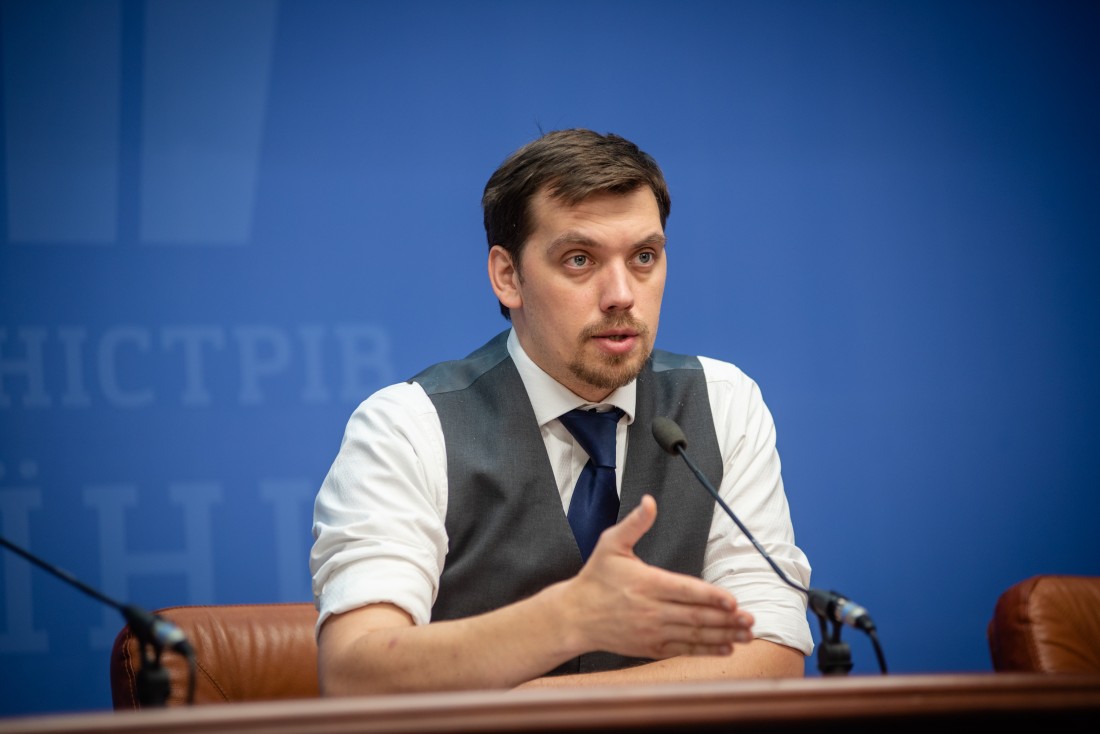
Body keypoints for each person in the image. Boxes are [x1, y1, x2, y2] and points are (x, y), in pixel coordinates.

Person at [310, 129, 813, 695]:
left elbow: (772, 655)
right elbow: (354, 673)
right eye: (580, 259)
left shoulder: (721, 402)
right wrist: (567, 619)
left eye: (644, 257)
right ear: (508, 277)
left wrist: (529, 705)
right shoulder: (409, 427)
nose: (621, 294)